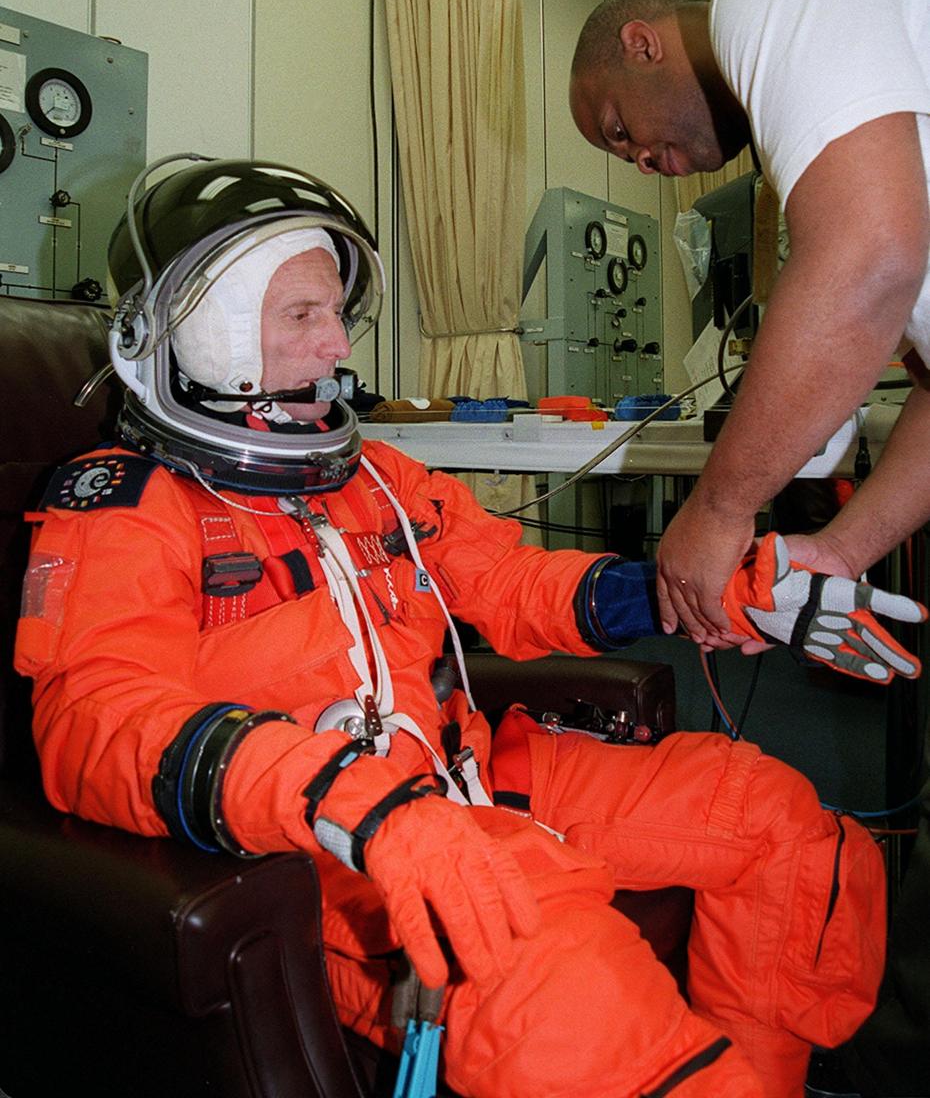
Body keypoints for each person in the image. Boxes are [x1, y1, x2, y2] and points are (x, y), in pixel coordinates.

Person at [13, 158, 920, 1098]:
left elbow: (518, 584)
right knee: (573, 999)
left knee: (782, 827)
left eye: (334, 314)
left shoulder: (377, 483)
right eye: (300, 318)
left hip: (473, 783)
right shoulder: (124, 512)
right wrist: (346, 798)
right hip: (338, 866)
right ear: (200, 339)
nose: (336, 349)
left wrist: (712, 595)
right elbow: (97, 724)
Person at [569, 0, 930, 1097]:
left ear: (643, 40)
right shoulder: (863, 96)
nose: (645, 163)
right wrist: (840, 544)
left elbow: (871, 257)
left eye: (620, 128)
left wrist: (719, 511)